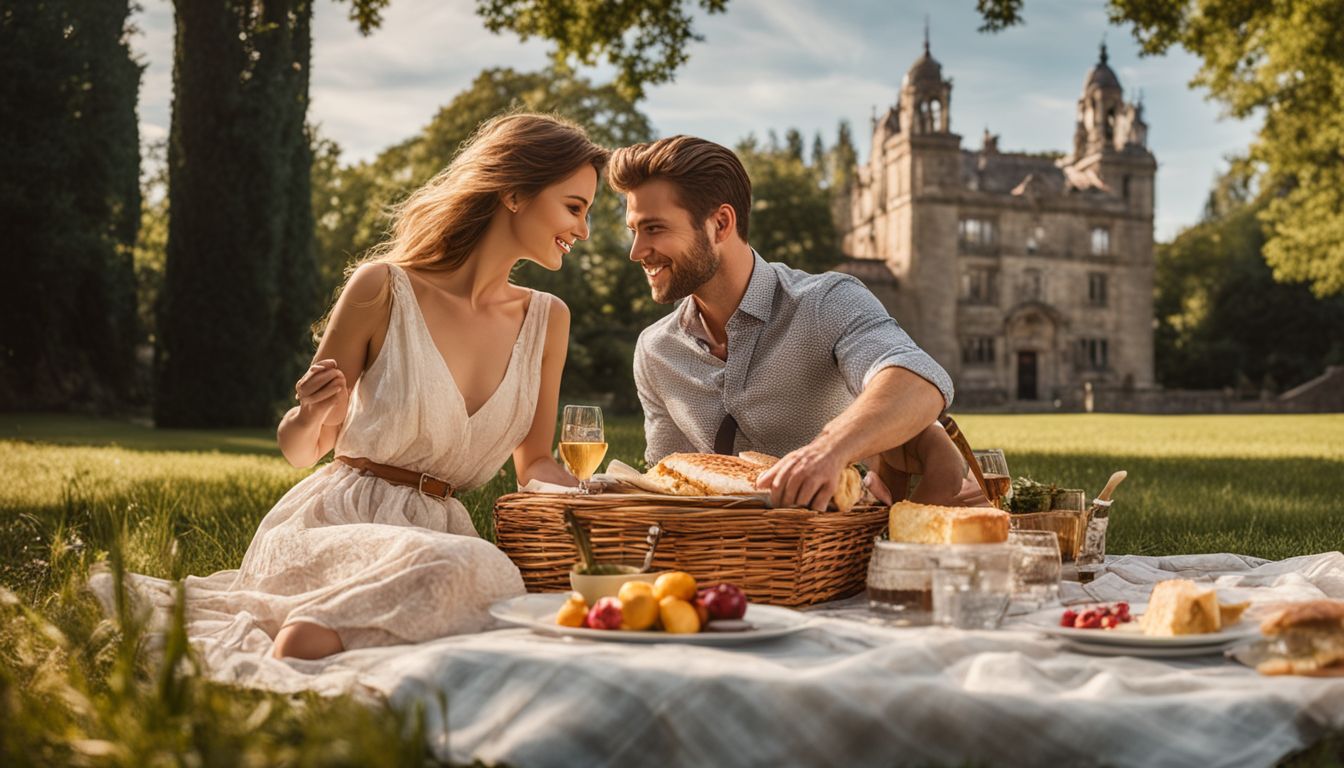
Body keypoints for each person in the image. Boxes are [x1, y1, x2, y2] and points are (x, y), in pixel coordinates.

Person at [95, 113, 608, 662]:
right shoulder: (383, 287)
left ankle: (325, 641)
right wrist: (310, 416)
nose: (582, 229)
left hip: (442, 534)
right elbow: (302, 450)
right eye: (574, 207)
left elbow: (533, 466)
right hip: (336, 523)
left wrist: (597, 494)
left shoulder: (548, 319)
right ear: (512, 192)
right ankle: (305, 647)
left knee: (490, 578)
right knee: (481, 573)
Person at [607, 135, 987, 511]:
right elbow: (663, 484)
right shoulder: (655, 350)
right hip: (716, 557)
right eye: (634, 231)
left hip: (831, 551)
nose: (636, 251)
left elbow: (915, 380)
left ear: (720, 224)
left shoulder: (826, 302)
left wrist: (827, 452)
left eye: (654, 228)